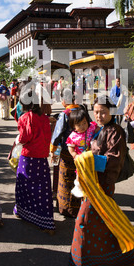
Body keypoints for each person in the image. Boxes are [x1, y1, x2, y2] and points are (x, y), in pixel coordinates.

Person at [68, 96, 134, 266]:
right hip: (93, 183)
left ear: (111, 112)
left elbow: (113, 161)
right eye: (96, 112)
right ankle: (123, 258)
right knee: (106, 222)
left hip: (102, 186)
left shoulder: (115, 132)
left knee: (83, 222)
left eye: (103, 112)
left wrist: (86, 158)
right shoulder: (102, 129)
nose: (99, 115)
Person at [13, 86, 55, 234]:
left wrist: (17, 140)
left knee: (24, 186)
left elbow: (24, 138)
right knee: (42, 190)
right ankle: (45, 221)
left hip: (28, 158)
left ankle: (23, 212)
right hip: (42, 158)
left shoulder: (25, 118)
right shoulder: (44, 117)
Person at [50, 88, 81, 218]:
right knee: (77, 179)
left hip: (66, 151)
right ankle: (77, 206)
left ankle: (65, 208)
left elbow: (57, 135)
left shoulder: (65, 114)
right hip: (80, 151)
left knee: (66, 179)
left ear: (64, 101)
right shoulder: (81, 111)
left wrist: (52, 150)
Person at [66, 107, 99, 198]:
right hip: (81, 158)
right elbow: (70, 147)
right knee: (80, 173)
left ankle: (93, 187)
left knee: (93, 171)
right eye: (79, 125)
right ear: (73, 126)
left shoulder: (91, 127)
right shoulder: (73, 136)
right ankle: (78, 186)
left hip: (93, 155)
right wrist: (74, 155)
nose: (83, 126)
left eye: (84, 123)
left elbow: (98, 129)